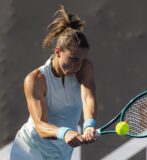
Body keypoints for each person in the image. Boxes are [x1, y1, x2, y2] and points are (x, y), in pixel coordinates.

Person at [10, 5, 97, 160]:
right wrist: (65, 132)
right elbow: (41, 126)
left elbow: (87, 97)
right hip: (29, 150)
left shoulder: (84, 68)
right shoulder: (36, 79)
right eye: (74, 59)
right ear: (58, 52)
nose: (78, 66)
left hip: (61, 152)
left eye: (82, 60)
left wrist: (89, 124)